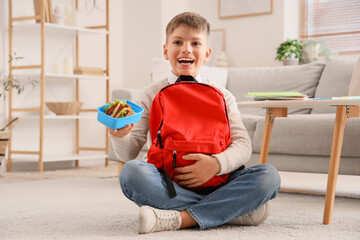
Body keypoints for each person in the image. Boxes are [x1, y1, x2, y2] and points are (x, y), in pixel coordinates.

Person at [108, 12, 281, 234]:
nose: (186, 49)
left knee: (269, 177)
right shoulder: (150, 94)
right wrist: (120, 134)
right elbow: (128, 154)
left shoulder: (223, 95)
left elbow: (243, 146)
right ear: (165, 50)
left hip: (220, 180)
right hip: (170, 185)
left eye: (195, 43)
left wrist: (216, 165)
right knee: (130, 173)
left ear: (207, 53)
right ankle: (231, 210)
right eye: (178, 42)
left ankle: (180, 218)